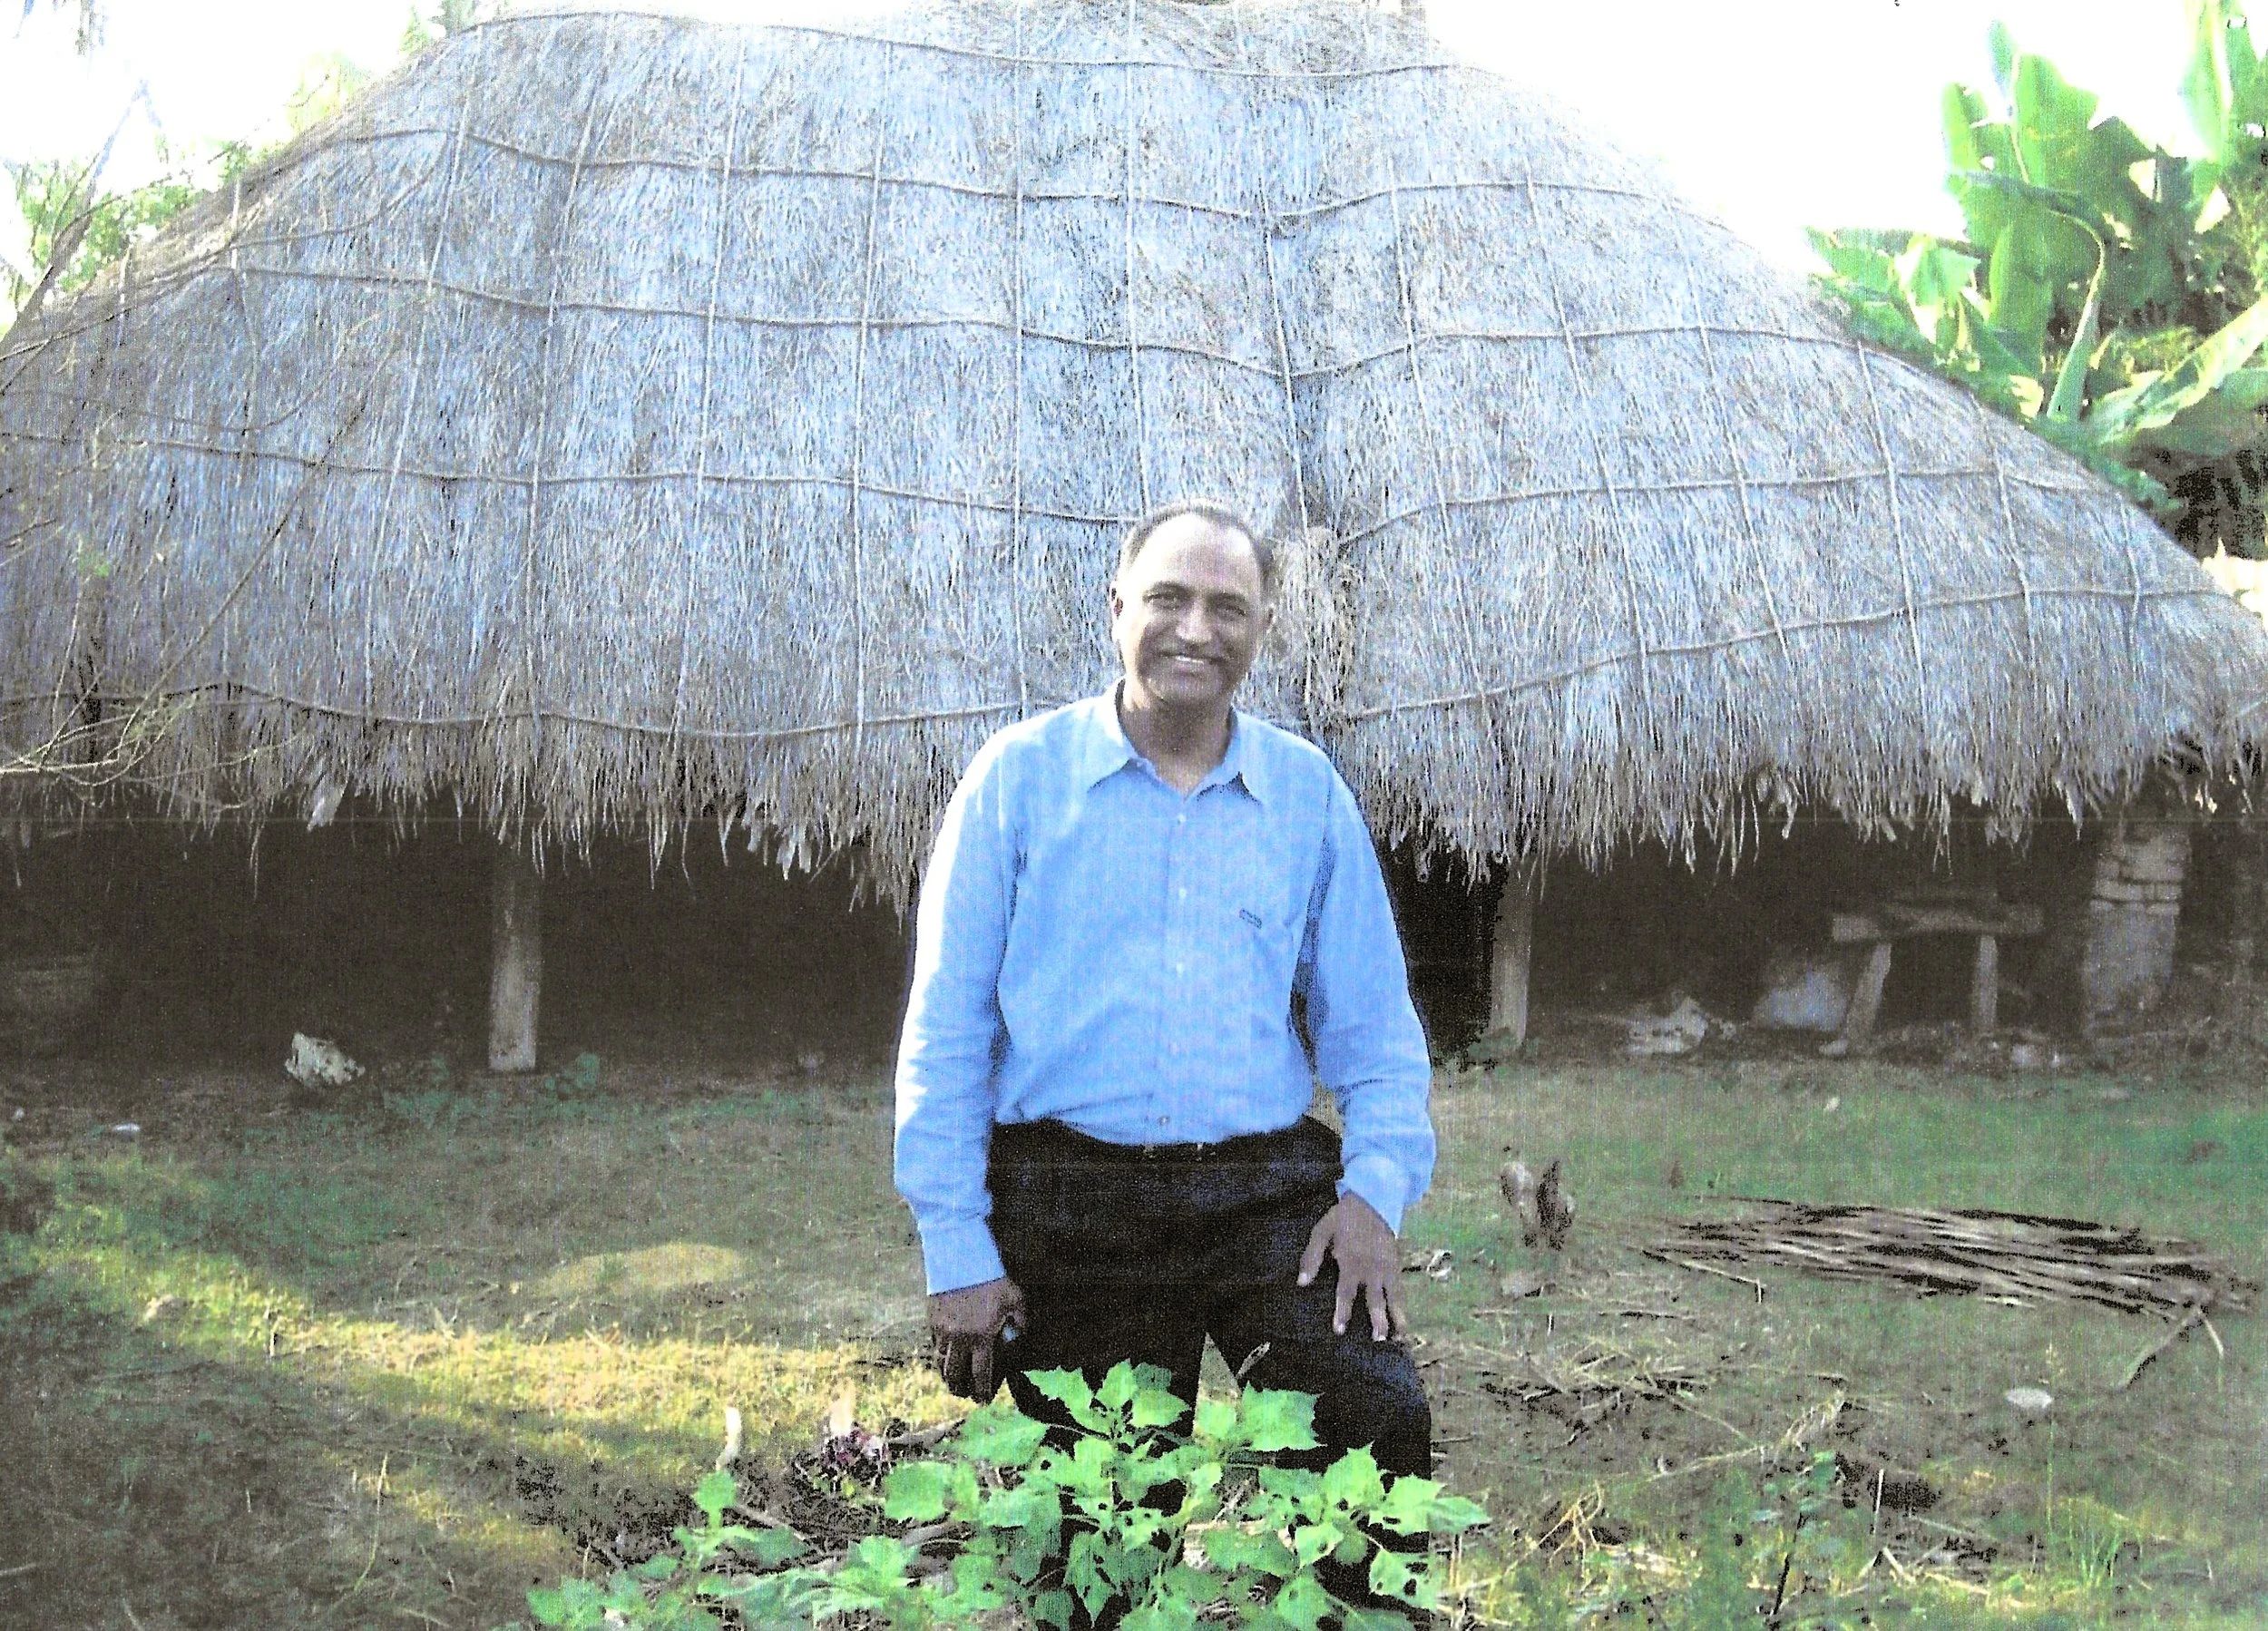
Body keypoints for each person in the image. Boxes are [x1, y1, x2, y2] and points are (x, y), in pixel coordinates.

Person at [893, 499, 1437, 1494]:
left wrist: (1373, 1194)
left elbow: (1372, 1028)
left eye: (1228, 607)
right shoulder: (1016, 781)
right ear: (1114, 609)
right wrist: (955, 1248)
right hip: (1074, 1194)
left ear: (1262, 629)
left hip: (1265, 1194)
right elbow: (946, 1030)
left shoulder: (1307, 793)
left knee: (1374, 1428)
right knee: (1107, 1509)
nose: (1196, 629)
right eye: (1168, 598)